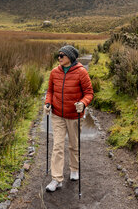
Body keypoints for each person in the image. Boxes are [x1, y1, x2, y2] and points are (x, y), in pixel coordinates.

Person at [44, 45, 94, 192]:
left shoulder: (81, 73)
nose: (59, 58)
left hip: (74, 116)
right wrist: (48, 103)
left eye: (62, 55)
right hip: (57, 114)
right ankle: (56, 179)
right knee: (57, 146)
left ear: (70, 57)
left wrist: (83, 103)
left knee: (73, 145)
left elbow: (89, 93)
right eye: (58, 55)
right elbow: (50, 91)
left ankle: (74, 169)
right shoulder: (54, 72)